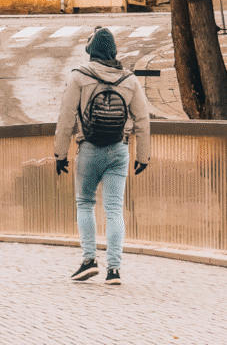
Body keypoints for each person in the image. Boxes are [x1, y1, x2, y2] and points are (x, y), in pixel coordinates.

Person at [54, 26, 151, 286]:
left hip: (89, 149)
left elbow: (66, 118)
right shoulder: (129, 79)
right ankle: (114, 270)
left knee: (85, 203)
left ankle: (88, 261)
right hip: (119, 149)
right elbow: (142, 118)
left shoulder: (79, 76)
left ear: (91, 52)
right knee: (114, 208)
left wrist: (60, 154)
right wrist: (143, 156)